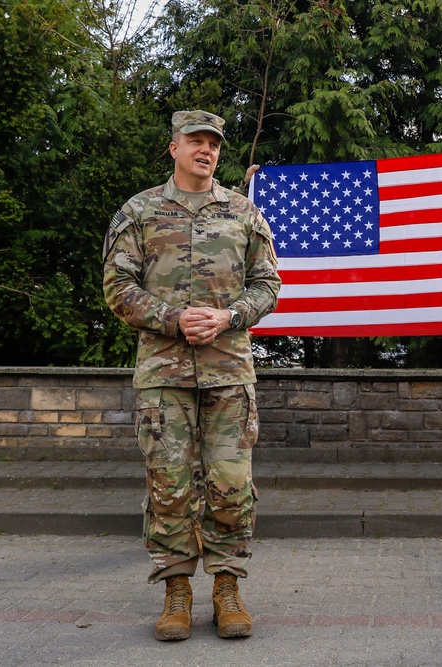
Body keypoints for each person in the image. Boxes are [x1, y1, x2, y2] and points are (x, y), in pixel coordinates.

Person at [103, 110, 281, 642]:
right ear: (174, 147)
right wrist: (173, 319)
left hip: (229, 372)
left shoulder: (243, 212)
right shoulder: (139, 212)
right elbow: (117, 286)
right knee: (169, 486)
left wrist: (229, 316)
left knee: (231, 485)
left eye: (214, 144)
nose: (206, 150)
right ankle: (175, 592)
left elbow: (268, 284)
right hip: (163, 373)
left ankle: (227, 588)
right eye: (196, 141)